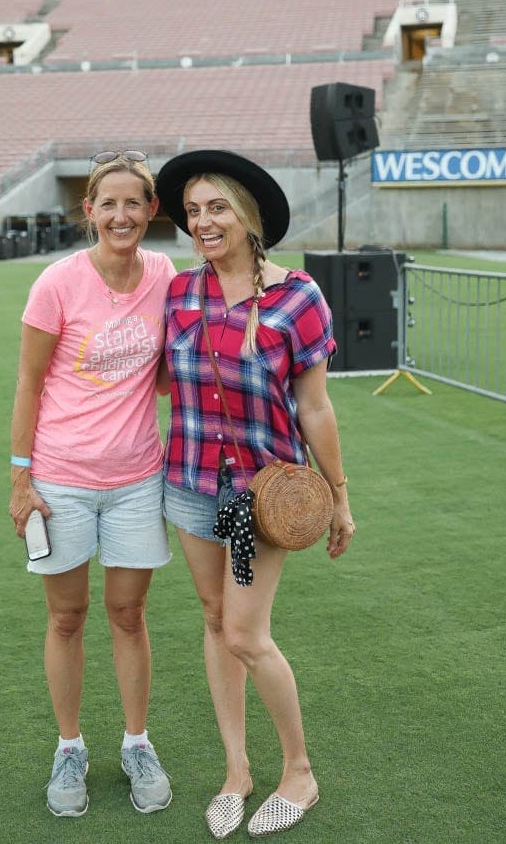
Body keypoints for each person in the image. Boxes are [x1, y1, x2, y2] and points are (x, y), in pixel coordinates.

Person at [155, 149, 356, 840]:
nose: (202, 223)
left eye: (216, 208)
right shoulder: (180, 293)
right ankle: (237, 770)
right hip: (186, 483)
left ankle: (298, 770)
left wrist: (340, 496)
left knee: (245, 632)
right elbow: (157, 381)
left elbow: (316, 409)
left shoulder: (298, 295)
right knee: (215, 619)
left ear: (248, 216)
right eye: (192, 212)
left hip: (262, 500)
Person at [8, 150, 177, 818]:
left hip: (138, 479)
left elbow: (166, 367)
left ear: (151, 210)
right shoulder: (56, 283)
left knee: (128, 615)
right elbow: (27, 382)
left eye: (134, 202)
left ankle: (137, 742)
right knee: (67, 616)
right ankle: (69, 748)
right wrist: (21, 480)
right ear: (89, 211)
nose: (121, 214)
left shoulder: (165, 275)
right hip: (61, 480)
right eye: (108, 203)